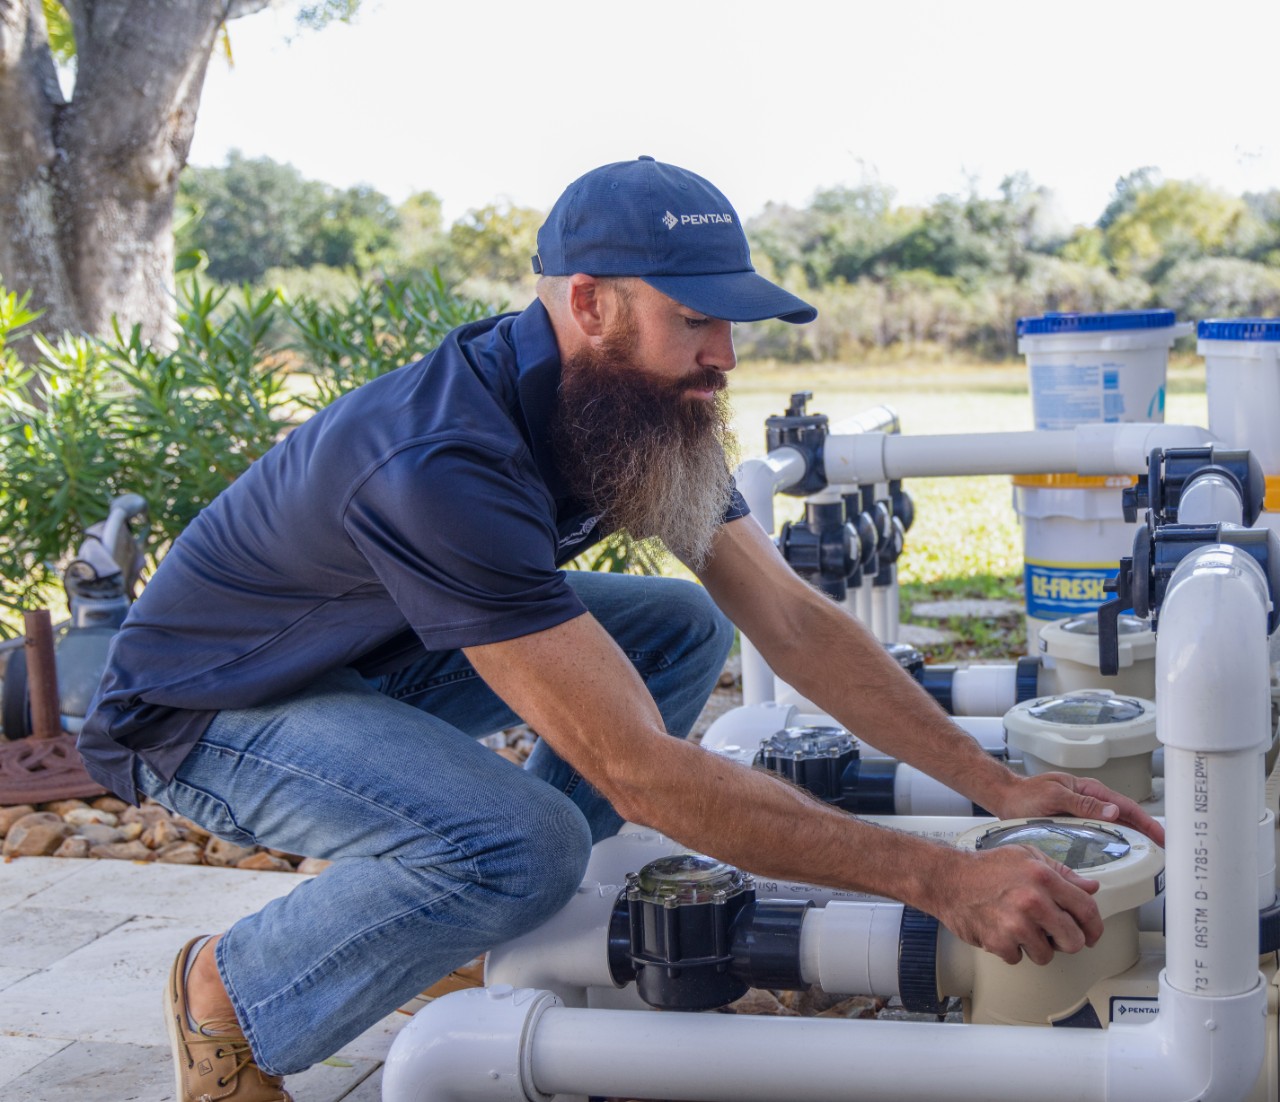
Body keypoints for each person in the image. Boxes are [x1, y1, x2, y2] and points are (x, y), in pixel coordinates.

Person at [80, 156, 1163, 1102]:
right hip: (209, 709)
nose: (725, 353)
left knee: (681, 627)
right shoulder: (442, 464)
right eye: (694, 318)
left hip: (373, 653)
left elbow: (784, 614)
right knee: (523, 843)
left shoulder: (633, 409)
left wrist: (994, 785)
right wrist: (940, 881)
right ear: (591, 302)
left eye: (729, 319)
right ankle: (234, 990)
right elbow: (641, 775)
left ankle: (494, 927)